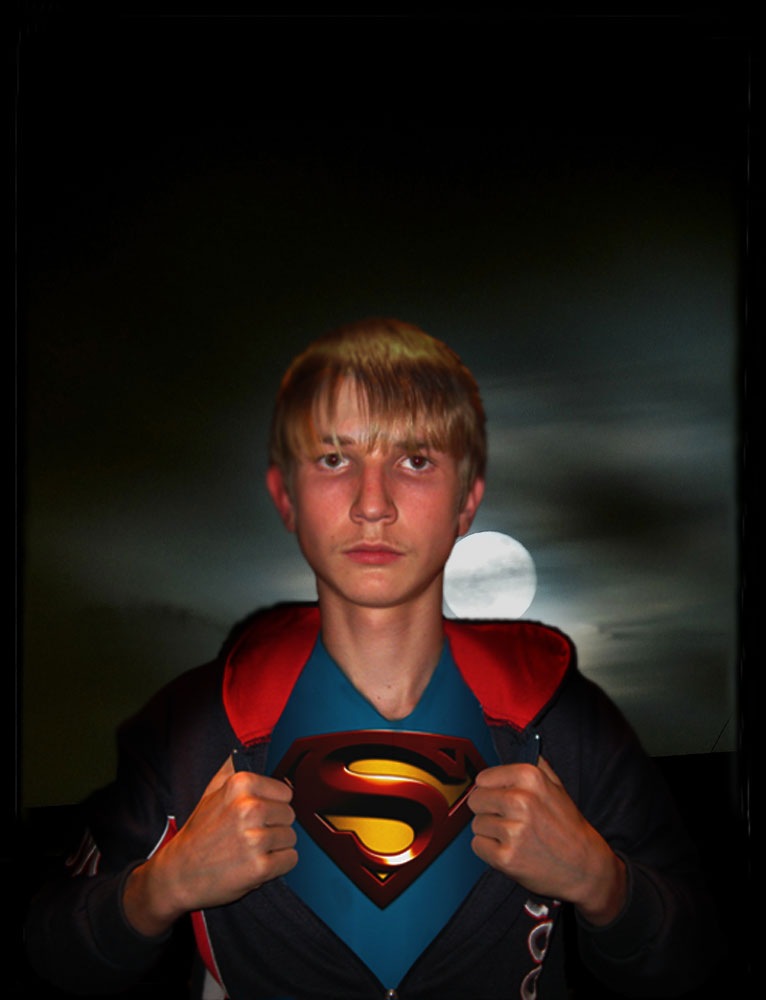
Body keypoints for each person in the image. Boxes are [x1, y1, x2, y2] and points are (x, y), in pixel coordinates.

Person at [25, 318, 721, 999]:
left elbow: (694, 953)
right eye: (335, 459)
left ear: (467, 501)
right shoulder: (188, 727)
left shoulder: (567, 719)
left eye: (415, 460)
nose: (372, 504)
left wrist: (603, 883)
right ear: (286, 496)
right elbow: (54, 951)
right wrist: (161, 887)